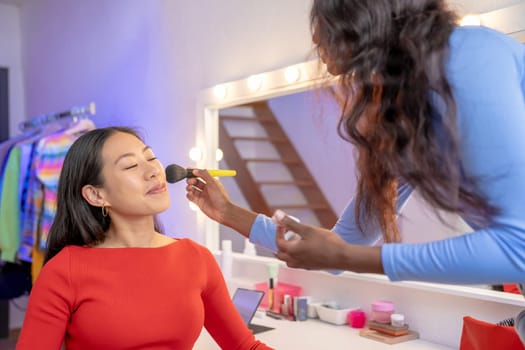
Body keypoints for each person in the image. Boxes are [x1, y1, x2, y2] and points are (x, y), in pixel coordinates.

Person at [186, 0, 525, 291]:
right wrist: (228, 213)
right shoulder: (407, 116)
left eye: (323, 20)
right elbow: (342, 244)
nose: (316, 37)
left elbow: (518, 247)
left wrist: (348, 257)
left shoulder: (466, 56)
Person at [16, 127, 272, 350]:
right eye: (130, 165)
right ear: (96, 195)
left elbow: (245, 346)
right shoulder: (64, 271)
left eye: (151, 158)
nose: (153, 171)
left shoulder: (196, 258)